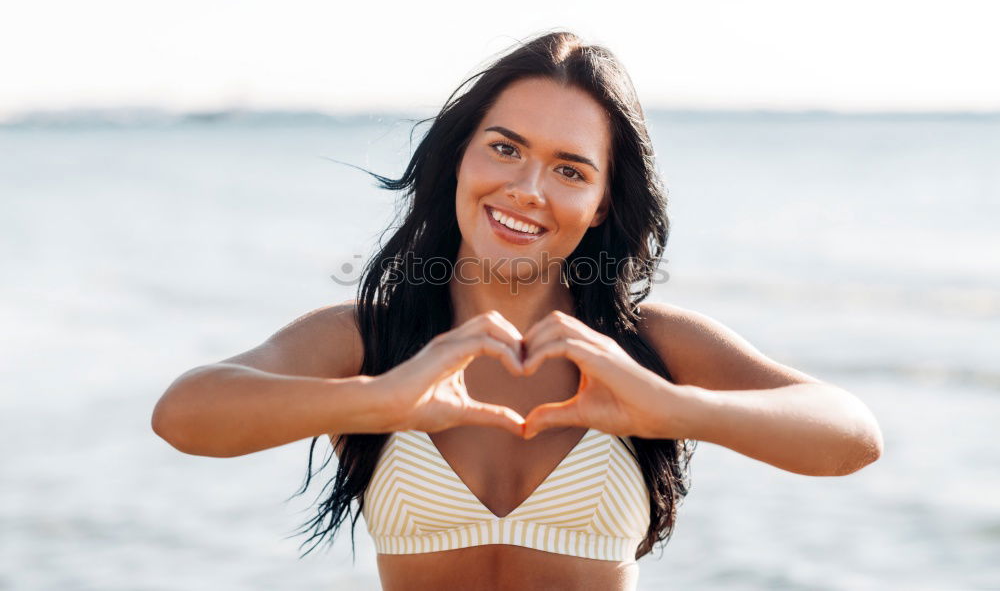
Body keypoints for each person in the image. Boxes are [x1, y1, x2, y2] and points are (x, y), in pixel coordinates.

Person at [151, 31, 884, 591]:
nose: (528, 187)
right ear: (461, 158)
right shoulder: (370, 339)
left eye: (570, 168)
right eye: (505, 148)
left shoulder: (646, 346)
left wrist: (674, 409)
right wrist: (380, 398)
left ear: (601, 204)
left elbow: (851, 435)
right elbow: (183, 414)